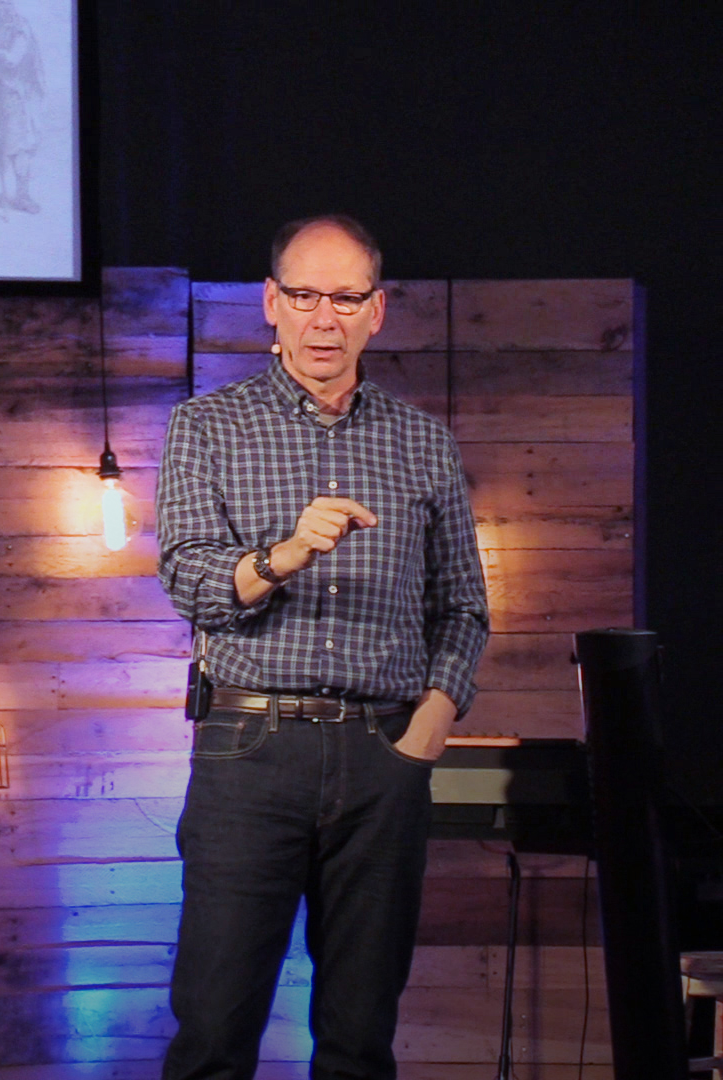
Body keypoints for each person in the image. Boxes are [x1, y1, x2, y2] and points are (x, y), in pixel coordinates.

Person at [154, 214, 490, 1080]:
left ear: (377, 310)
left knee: (359, 1040)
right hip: (248, 750)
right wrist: (288, 553)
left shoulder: (423, 442)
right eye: (304, 296)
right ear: (272, 303)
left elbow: (463, 608)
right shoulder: (207, 427)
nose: (323, 318)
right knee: (213, 1034)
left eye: (345, 298)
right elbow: (190, 582)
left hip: (384, 755)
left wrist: (424, 737)